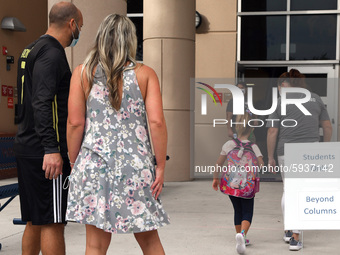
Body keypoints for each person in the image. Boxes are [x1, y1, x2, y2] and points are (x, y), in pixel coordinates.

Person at [65, 14, 170, 255]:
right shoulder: (145, 74)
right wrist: (160, 166)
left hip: (94, 164)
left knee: (95, 244)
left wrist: (74, 162)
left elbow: (74, 123)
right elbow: (156, 122)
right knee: (150, 240)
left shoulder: (82, 73)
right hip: (136, 167)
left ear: (101, 37)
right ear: (130, 40)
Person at [14, 2, 83, 255]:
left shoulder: (30, 49)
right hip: (46, 155)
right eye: (80, 27)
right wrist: (52, 149)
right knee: (53, 222)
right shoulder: (52, 54)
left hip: (28, 147)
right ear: (72, 24)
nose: (79, 33)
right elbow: (41, 102)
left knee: (34, 220)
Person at [266, 69, 332, 251]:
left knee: (289, 190)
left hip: (285, 151)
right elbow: (327, 126)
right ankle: (295, 237)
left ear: (285, 85)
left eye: (280, 86)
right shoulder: (316, 98)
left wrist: (270, 157)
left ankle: (289, 231)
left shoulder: (281, 102)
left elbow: (272, 131)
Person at [213, 111, 264, 254]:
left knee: (238, 210)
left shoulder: (229, 144)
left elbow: (218, 163)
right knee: (248, 211)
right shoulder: (254, 147)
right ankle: (243, 235)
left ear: (236, 127)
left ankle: (239, 236)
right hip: (247, 186)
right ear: (252, 129)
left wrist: (215, 178)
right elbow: (261, 165)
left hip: (231, 185)